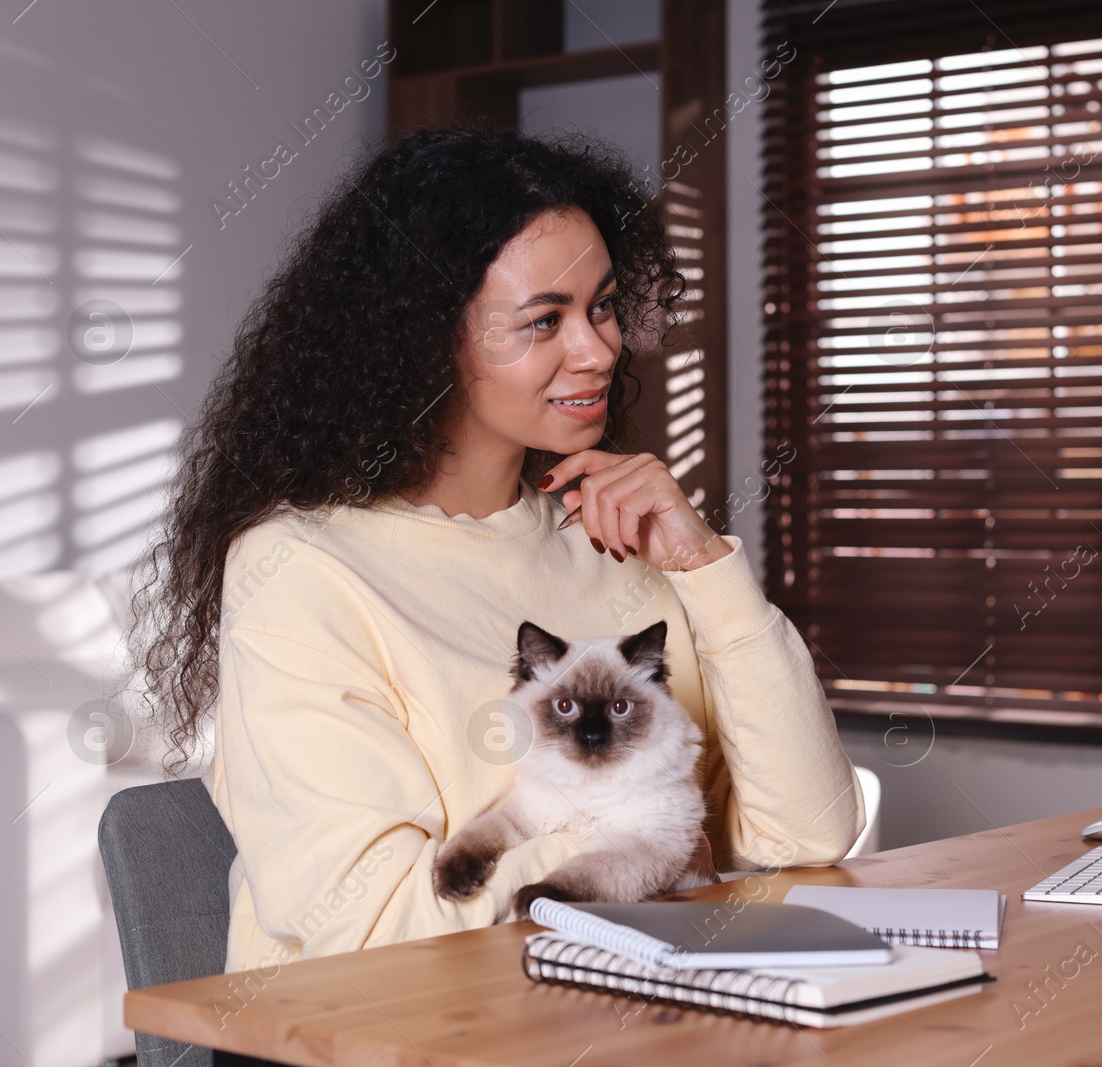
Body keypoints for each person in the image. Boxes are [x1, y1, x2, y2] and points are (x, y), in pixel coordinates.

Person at [133, 126, 865, 973]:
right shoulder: (301, 569)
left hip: (611, 1009)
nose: (599, 347)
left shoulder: (615, 543)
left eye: (600, 305)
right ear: (423, 338)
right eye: (544, 319)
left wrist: (707, 570)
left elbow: (806, 836)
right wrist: (650, 863)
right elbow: (366, 929)